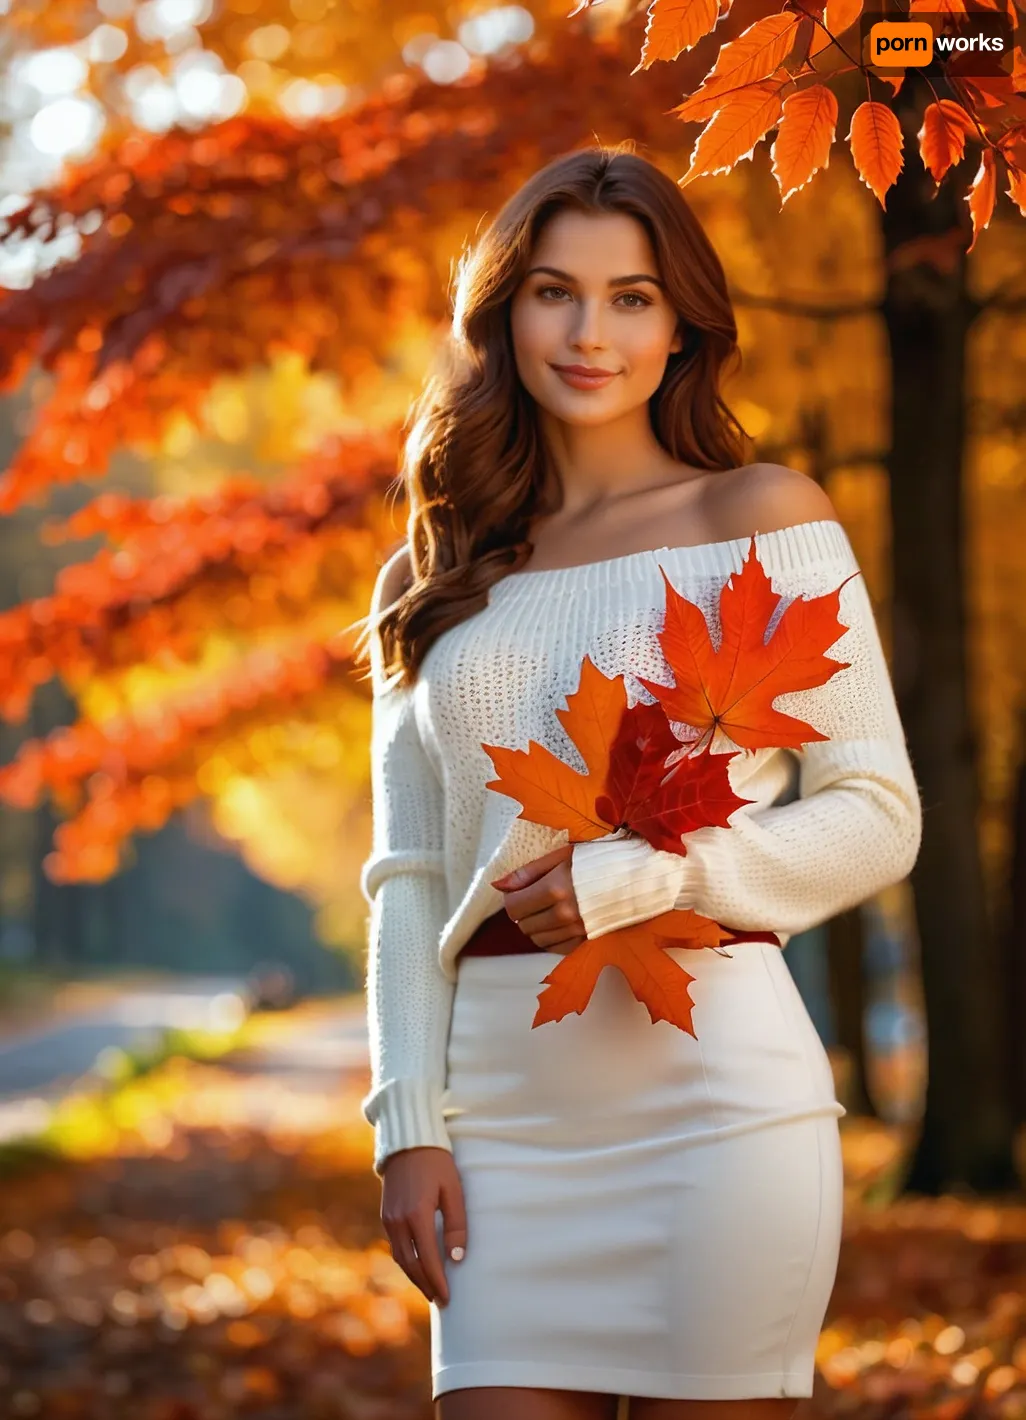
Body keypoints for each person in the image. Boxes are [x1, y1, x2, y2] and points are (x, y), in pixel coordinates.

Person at [352, 145, 923, 1420]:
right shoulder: (434, 574)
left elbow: (878, 814)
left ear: (683, 326)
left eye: (632, 296)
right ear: (503, 313)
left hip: (716, 1112)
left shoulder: (757, 515)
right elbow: (410, 875)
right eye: (555, 291)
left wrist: (649, 871)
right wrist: (409, 1125)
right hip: (498, 1127)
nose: (590, 331)